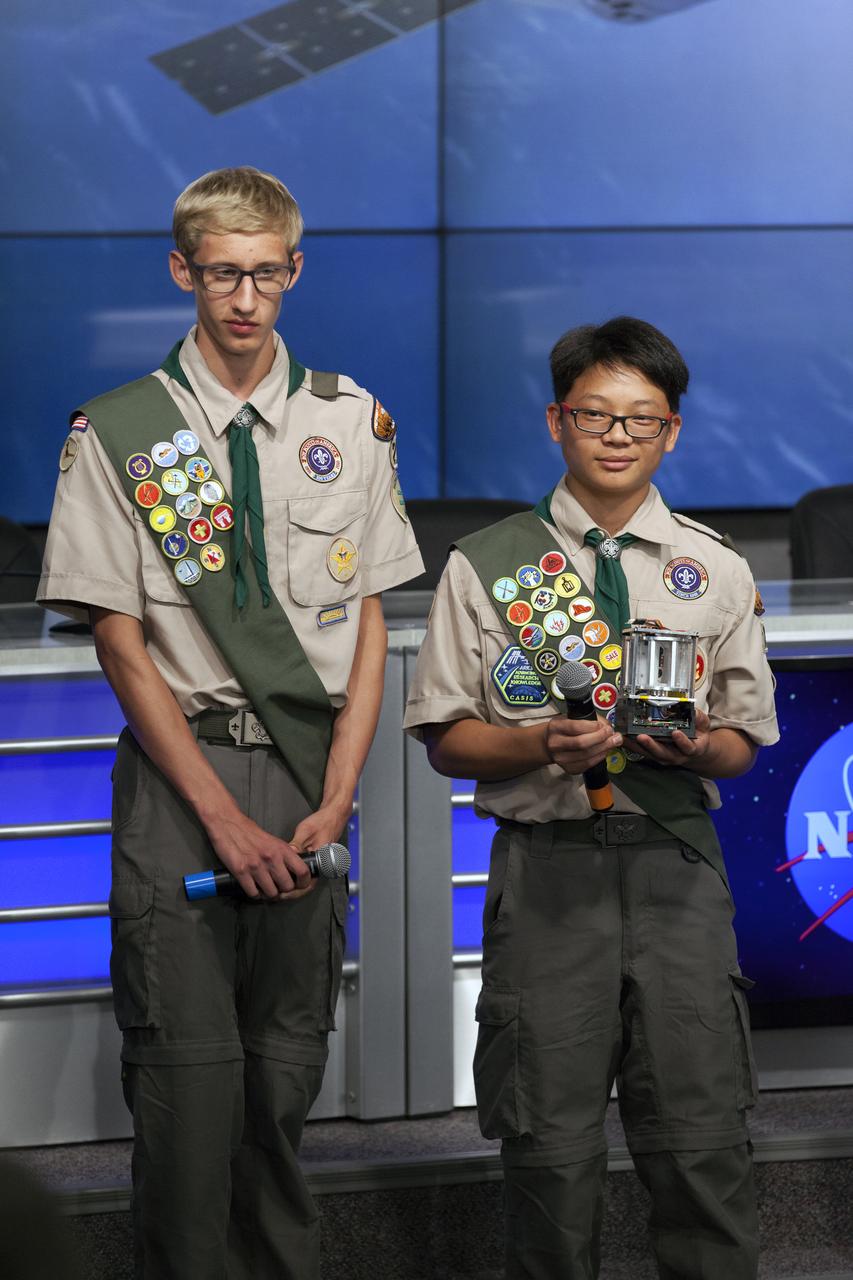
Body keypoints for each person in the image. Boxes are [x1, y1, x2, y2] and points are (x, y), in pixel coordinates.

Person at [37, 166, 423, 1279]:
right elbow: (121, 641)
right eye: (221, 274)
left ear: (293, 271)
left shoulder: (351, 419)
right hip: (182, 782)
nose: (243, 299)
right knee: (188, 1086)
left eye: (264, 274)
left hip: (309, 780)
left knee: (285, 1073)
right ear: (183, 272)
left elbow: (365, 622)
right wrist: (221, 820)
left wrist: (342, 790)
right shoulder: (121, 432)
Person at [403, 316, 778, 1279]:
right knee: (549, 1149)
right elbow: (445, 738)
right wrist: (539, 743)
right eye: (594, 414)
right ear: (556, 421)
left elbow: (742, 741)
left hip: (676, 873)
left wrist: (698, 747)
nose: (616, 436)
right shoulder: (487, 562)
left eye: (639, 420)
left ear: (671, 433)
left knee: (700, 1144)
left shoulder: (717, 568)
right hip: (548, 875)